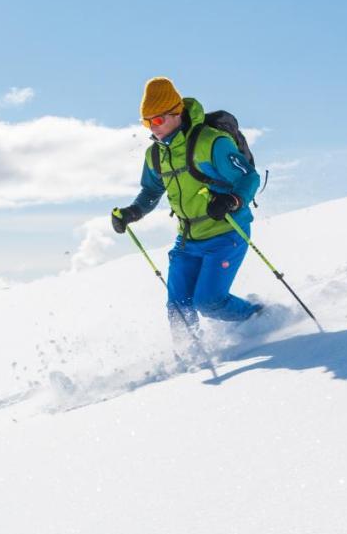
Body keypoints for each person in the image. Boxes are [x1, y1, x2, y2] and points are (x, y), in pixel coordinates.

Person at [112, 77, 263, 350]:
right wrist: (132, 212)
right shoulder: (155, 155)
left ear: (176, 113)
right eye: (146, 123)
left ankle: (259, 318)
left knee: (209, 302)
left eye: (156, 121)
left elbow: (249, 178)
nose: (152, 129)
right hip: (187, 240)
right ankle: (190, 358)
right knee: (178, 307)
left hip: (226, 233)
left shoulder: (212, 143)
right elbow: (150, 191)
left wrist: (231, 200)